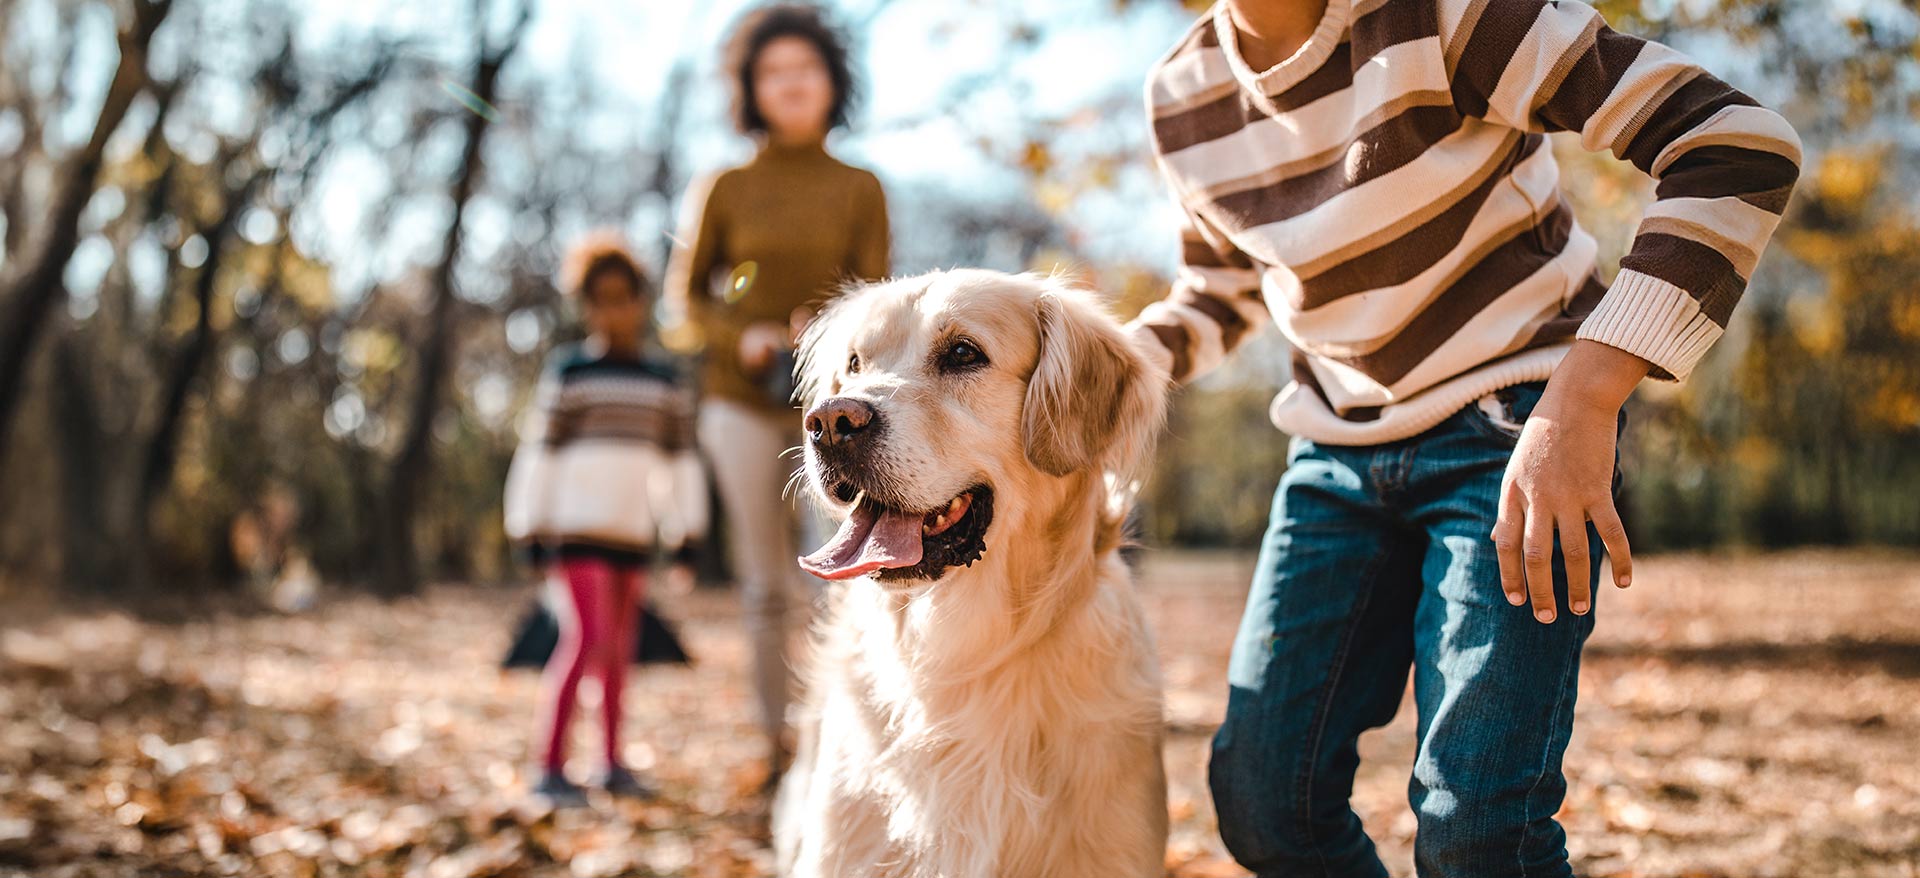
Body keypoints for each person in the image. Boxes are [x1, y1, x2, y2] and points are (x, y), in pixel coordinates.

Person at [1131, 1, 1800, 875]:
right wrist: (1077, 364)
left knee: (1478, 829)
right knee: (1265, 807)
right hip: (1334, 455)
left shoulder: (1446, 18)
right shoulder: (1183, 96)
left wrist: (1586, 399)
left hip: (1515, 431)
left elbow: (1737, 144)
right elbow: (1220, 290)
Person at [664, 2, 889, 785]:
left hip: (837, 413)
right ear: (750, 88)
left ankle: (844, 743)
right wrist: (747, 334)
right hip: (738, 403)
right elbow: (685, 301)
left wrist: (825, 326)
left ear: (832, 81)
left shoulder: (862, 187)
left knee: (840, 572)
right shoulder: (724, 185)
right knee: (765, 585)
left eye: (806, 69)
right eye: (773, 72)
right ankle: (776, 747)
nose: (791, 83)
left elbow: (876, 302)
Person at [504, 235, 705, 805]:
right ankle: (547, 767)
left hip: (632, 534)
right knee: (585, 640)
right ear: (585, 304)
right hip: (576, 532)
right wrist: (528, 526)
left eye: (623, 297)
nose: (612, 309)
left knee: (619, 647)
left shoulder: (664, 382)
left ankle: (611, 762)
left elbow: (680, 465)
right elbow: (538, 455)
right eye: (599, 299)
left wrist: (685, 532)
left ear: (640, 301)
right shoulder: (568, 373)